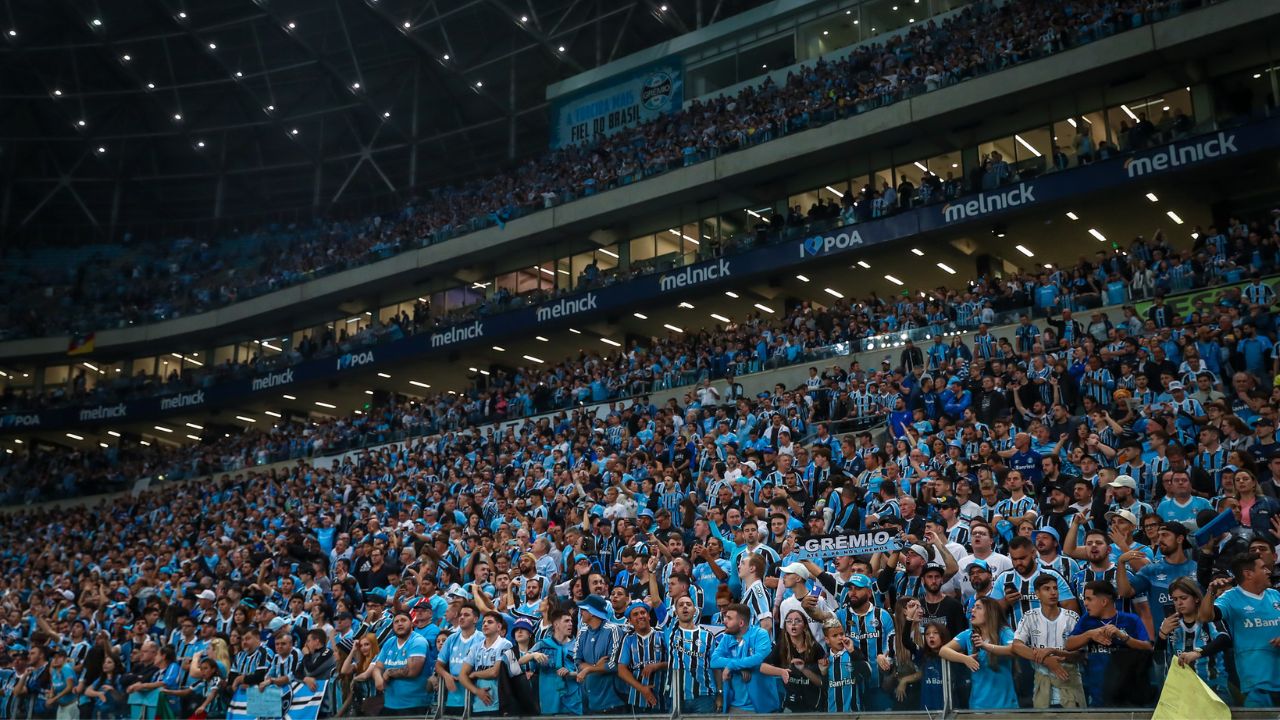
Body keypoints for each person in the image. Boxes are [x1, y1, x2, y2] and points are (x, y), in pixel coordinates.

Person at [1204, 552, 1280, 707]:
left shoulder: (1275, 595)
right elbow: (1206, 616)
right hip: (1257, 684)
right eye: (1263, 567)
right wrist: (1211, 592)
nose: (1269, 571)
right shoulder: (1230, 598)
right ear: (1248, 574)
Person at [1066, 581, 1153, 707]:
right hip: (1097, 693)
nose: (1085, 603)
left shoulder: (1131, 620)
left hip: (1128, 693)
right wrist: (1089, 634)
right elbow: (1068, 644)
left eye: (1089, 599)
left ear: (1104, 602)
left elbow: (1148, 647)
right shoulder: (1086, 620)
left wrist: (1124, 637)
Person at [1012, 574, 1085, 708]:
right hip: (1042, 686)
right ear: (1037, 594)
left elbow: (1080, 654)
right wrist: (1047, 661)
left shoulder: (1071, 617)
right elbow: (1016, 646)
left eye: (1055, 588)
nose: (1053, 592)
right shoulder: (1029, 617)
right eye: (1047, 589)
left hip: (1069, 683)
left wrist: (1057, 653)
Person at [1158, 577, 1231, 703]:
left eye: (1183, 598)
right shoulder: (1169, 623)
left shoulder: (1209, 618)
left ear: (1196, 598)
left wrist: (1198, 652)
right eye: (1175, 599)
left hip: (1213, 688)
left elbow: (1224, 639)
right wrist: (1162, 634)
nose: (1179, 603)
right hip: (1181, 691)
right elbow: (1159, 659)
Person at [939, 598, 1018, 709]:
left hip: (1005, 705)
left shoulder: (1004, 632)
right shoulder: (968, 634)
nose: (973, 610)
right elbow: (943, 651)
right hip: (978, 706)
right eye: (973, 607)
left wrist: (986, 646)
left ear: (991, 613)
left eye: (978, 607)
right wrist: (964, 658)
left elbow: (1014, 650)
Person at [710, 603, 779, 713]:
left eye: (729, 618)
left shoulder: (760, 634)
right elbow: (714, 661)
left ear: (741, 623)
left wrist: (732, 666)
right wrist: (738, 667)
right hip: (734, 706)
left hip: (761, 707)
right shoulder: (727, 637)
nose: (724, 621)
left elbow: (759, 658)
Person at [760, 609, 825, 712]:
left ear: (805, 626)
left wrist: (804, 669)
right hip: (790, 704)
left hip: (814, 704)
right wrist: (782, 671)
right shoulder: (782, 647)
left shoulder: (815, 648)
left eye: (798, 621)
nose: (793, 624)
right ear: (785, 626)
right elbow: (762, 667)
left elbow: (822, 683)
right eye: (789, 621)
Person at [372, 611, 431, 716]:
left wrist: (389, 673)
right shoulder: (390, 642)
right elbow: (378, 667)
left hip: (414, 705)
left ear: (412, 623)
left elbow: (413, 671)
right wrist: (378, 678)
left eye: (403, 620)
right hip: (390, 704)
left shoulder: (418, 641)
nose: (399, 623)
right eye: (396, 622)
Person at [666, 595, 718, 714]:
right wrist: (652, 576)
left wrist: (719, 693)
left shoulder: (708, 636)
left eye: (689, 604)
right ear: (676, 611)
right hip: (676, 695)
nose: (685, 607)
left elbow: (715, 667)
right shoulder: (670, 631)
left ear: (695, 610)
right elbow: (656, 602)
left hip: (704, 695)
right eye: (681, 605)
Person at [459, 612, 517, 716]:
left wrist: (475, 674)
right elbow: (462, 675)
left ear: (499, 627)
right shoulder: (475, 647)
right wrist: (477, 691)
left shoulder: (506, 644)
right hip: (478, 705)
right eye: (484, 622)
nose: (485, 624)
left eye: (490, 622)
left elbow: (495, 672)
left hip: (499, 705)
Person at [574, 594, 624, 713]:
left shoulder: (613, 630)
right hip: (588, 700)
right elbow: (576, 660)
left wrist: (588, 669)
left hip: (611, 701)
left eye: (584, 609)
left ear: (592, 612)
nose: (580, 612)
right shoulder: (583, 631)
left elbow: (614, 665)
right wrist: (596, 667)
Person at [616, 603, 668, 711]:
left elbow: (674, 662)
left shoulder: (662, 635)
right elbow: (621, 670)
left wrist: (657, 666)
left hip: (663, 698)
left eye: (643, 612)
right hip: (637, 699)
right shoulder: (628, 639)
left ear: (649, 616)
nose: (640, 616)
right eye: (635, 614)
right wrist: (643, 689)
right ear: (629, 621)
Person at [435, 603, 483, 714]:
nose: (461, 617)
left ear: (475, 619)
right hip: (452, 700)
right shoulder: (451, 638)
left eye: (466, 615)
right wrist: (446, 675)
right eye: (461, 615)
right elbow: (438, 664)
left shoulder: (482, 638)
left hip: (475, 699)